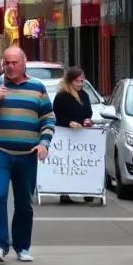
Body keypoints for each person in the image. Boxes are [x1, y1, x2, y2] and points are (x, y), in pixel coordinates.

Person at [0, 46, 55, 265]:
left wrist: (44, 143)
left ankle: (22, 246)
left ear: (23, 63)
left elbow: (48, 118)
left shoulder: (37, 88)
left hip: (27, 154)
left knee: (24, 203)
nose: (10, 67)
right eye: (7, 63)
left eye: (14, 63)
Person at [52, 66, 95, 204]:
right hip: (66, 135)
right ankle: (65, 192)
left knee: (83, 163)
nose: (80, 84)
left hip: (81, 135)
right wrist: (69, 123)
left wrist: (87, 119)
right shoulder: (62, 97)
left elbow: (88, 111)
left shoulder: (84, 96)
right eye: (77, 81)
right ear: (70, 81)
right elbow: (57, 116)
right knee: (67, 164)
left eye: (82, 81)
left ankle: (86, 190)